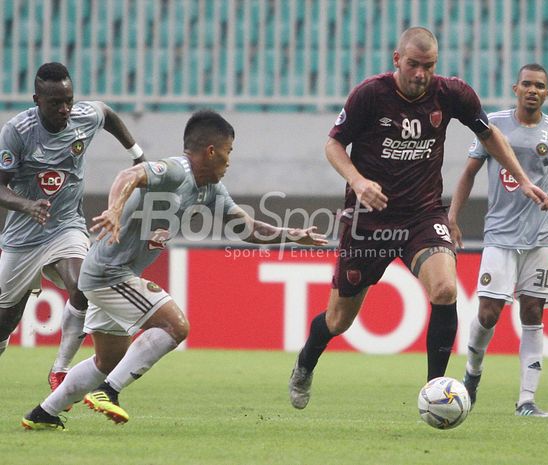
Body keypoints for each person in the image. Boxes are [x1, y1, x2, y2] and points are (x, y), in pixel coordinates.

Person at [288, 27, 548, 410]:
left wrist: (524, 180)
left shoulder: (451, 93)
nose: (420, 74)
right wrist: (357, 181)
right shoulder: (370, 95)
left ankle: (436, 395)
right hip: (369, 220)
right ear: (397, 59)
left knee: (445, 290)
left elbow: (489, 134)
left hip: (422, 215)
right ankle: (305, 364)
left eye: (428, 66)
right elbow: (333, 144)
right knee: (338, 320)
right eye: (413, 65)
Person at [21, 109, 327, 429]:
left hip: (112, 274)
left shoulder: (210, 190)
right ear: (211, 151)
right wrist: (113, 209)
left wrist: (290, 235)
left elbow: (246, 227)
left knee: (106, 360)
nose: (229, 160)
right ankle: (107, 390)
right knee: (175, 326)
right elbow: (129, 175)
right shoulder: (176, 171)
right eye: (228, 151)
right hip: (110, 273)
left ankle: (44, 413)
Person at [448, 64, 548, 417]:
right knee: (489, 312)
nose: (532, 90)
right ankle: (472, 373)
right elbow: (468, 173)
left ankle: (526, 400)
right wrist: (452, 216)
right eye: (526, 84)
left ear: (547, 93)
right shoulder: (492, 125)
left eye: (539, 85)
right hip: (499, 235)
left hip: (541, 239)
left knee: (533, 312)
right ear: (515, 88)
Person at [0, 62, 145, 392]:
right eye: (56, 103)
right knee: (5, 319)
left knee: (83, 287)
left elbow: (106, 113)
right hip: (22, 237)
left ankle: (60, 369)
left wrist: (136, 155)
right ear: (37, 99)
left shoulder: (83, 117)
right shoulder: (17, 132)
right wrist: (26, 205)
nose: (65, 108)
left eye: (69, 99)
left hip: (66, 226)